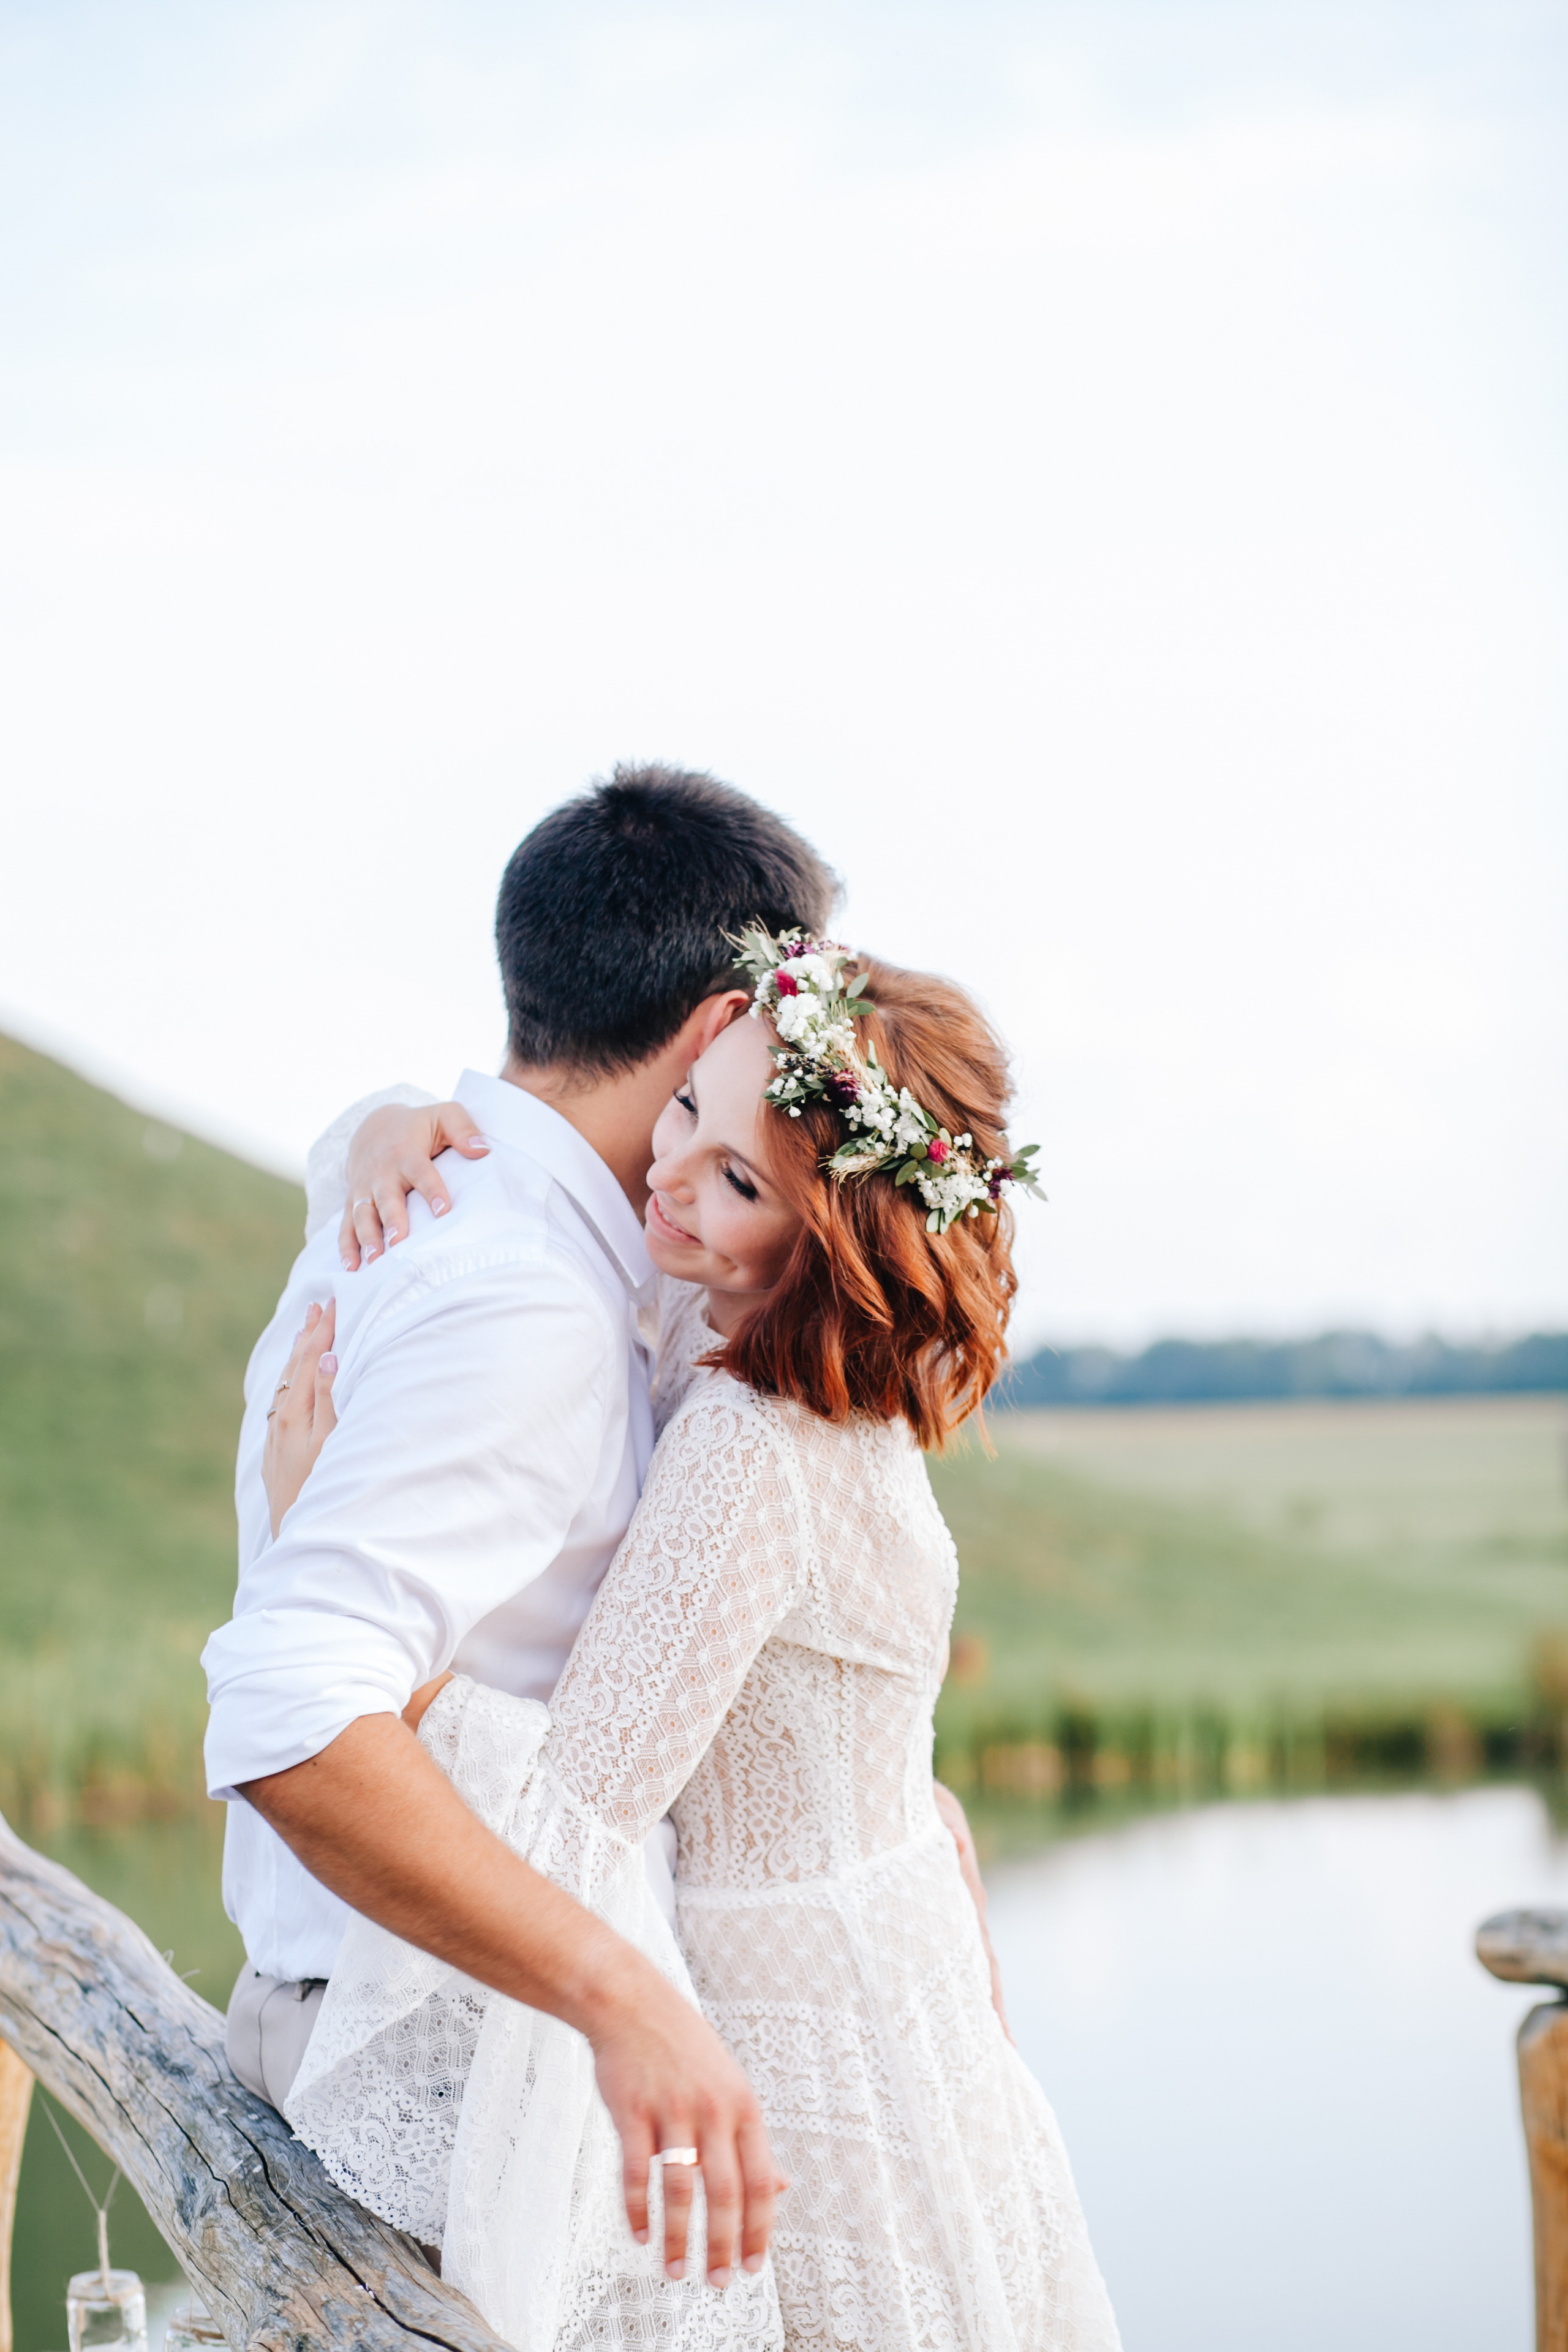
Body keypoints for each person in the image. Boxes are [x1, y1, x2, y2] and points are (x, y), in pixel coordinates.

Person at [262, 929, 1121, 2352]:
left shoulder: (747, 1437)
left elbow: (582, 1804)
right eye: (685, 1114)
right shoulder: (791, 1359)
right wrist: (383, 1131)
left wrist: (323, 1555)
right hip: (904, 1985)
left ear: (831, 1239)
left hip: (813, 2028)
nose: (666, 1175)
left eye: (735, 1178)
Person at [202, 766, 840, 2310]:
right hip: (431, 2066)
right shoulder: (528, 1301)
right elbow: (288, 1704)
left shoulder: (433, 1190)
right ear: (717, 1027)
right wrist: (621, 1996)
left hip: (429, 2023)